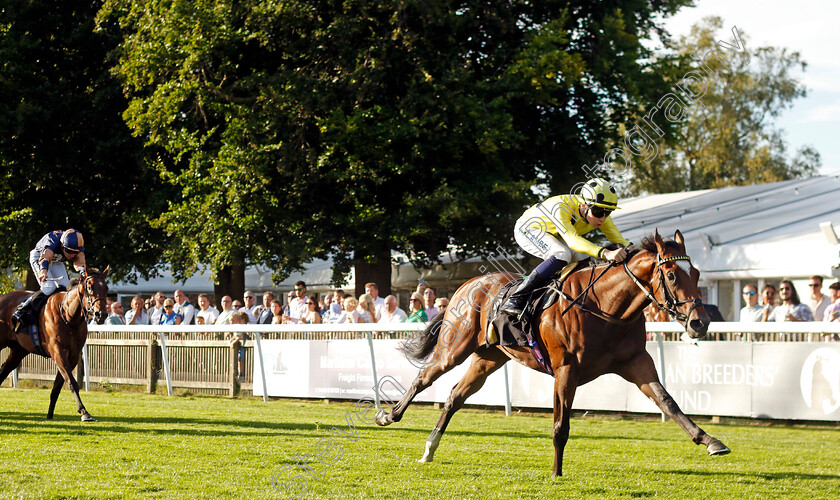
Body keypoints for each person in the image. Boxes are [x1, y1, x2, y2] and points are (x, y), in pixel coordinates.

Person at [501, 178, 630, 317]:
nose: (603, 218)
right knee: (562, 254)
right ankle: (516, 298)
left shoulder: (599, 213)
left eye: (608, 212)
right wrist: (605, 253)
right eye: (598, 212)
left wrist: (638, 251)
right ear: (584, 206)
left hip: (555, 233)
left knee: (584, 258)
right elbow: (573, 240)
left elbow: (620, 240)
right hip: (528, 229)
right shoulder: (561, 207)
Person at [12, 229, 87, 332]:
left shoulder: (77, 246)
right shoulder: (53, 241)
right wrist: (43, 271)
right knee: (49, 287)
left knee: (66, 288)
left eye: (75, 252)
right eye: (69, 251)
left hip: (56, 260)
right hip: (40, 257)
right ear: (62, 245)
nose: (72, 255)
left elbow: (80, 262)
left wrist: (83, 272)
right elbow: (45, 258)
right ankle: (22, 309)